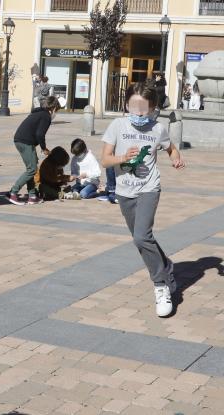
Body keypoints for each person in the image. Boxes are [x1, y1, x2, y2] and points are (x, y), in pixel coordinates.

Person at [100, 82, 185, 317]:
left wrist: (176, 159)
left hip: (149, 188)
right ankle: (166, 266)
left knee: (141, 236)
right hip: (124, 191)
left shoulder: (158, 129)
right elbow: (105, 160)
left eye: (143, 109)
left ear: (152, 108)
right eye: (133, 108)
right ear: (126, 105)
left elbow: (171, 149)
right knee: (142, 239)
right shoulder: (117, 125)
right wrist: (122, 157)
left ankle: (161, 286)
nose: (138, 114)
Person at [7, 96, 61, 205]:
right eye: (57, 110)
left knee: (32, 168)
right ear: (54, 108)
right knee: (32, 169)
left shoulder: (38, 113)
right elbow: (40, 134)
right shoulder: (46, 116)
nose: (56, 113)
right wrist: (43, 148)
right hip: (25, 142)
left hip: (21, 140)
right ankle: (12, 193)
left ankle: (32, 196)